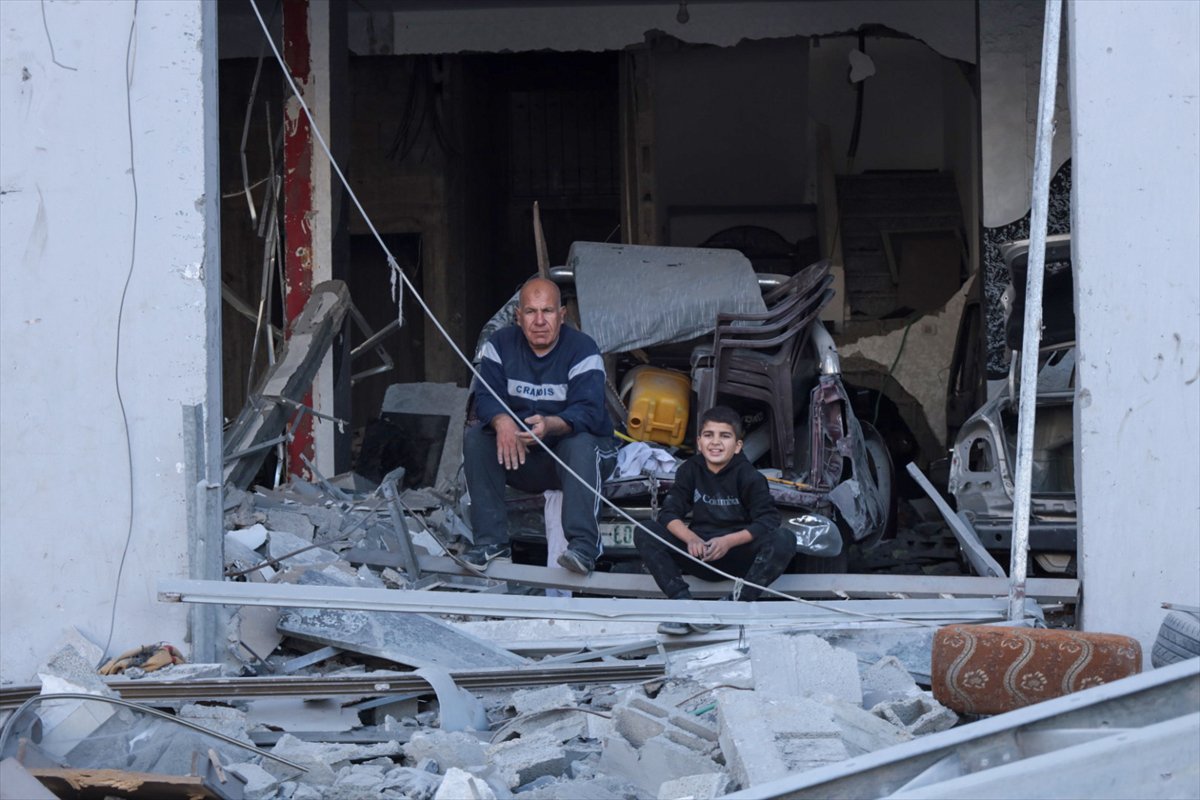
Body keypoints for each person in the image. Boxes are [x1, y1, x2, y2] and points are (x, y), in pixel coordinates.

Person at [463, 277, 618, 574]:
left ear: (562, 316)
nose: (539, 321)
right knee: (477, 439)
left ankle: (583, 548)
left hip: (575, 459)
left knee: (580, 443)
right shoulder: (500, 345)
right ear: (518, 317)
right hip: (523, 457)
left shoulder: (583, 349)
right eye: (531, 312)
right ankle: (490, 543)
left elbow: (589, 411)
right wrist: (503, 421)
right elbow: (483, 398)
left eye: (547, 311)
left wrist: (551, 425)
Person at [634, 405, 794, 635]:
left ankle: (736, 604)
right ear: (699, 442)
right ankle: (683, 604)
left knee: (784, 539)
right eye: (709, 435)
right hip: (698, 555)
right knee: (645, 530)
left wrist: (728, 542)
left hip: (737, 557)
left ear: (738, 446)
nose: (716, 442)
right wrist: (691, 539)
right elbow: (668, 513)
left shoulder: (750, 476)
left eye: (725, 436)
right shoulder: (690, 470)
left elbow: (768, 520)